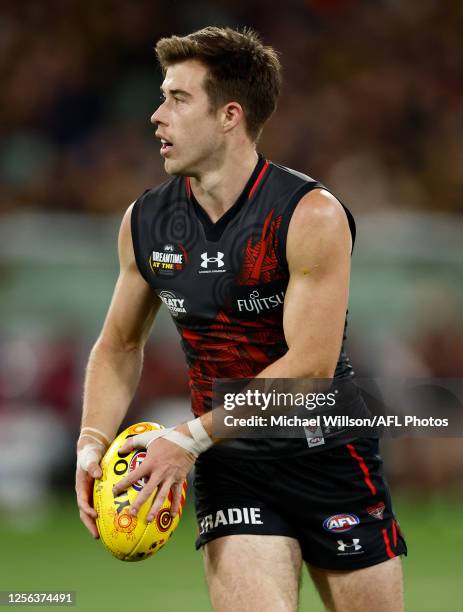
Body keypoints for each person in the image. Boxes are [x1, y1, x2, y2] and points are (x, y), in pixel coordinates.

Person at [75, 26, 406, 612]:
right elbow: (119, 346)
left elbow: (309, 367)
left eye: (178, 99)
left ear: (229, 115)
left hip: (327, 453)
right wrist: (91, 441)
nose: (156, 115)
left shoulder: (309, 215)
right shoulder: (146, 222)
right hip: (231, 462)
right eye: (162, 96)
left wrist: (188, 436)